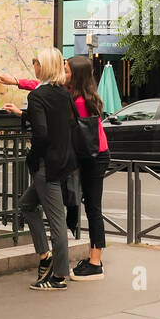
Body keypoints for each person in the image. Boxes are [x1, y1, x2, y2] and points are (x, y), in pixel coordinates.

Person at [5, 48, 77, 289]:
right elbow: (63, 125)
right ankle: (45, 257)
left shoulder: (37, 96)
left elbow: (42, 133)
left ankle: (58, 277)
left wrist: (33, 159)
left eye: (36, 62)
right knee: (26, 205)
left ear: (42, 66)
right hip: (62, 162)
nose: (33, 65)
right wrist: (24, 115)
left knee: (57, 222)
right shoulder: (62, 94)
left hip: (46, 166)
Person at [66, 55, 111, 281]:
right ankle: (94, 257)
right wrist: (17, 82)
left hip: (94, 157)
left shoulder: (79, 101)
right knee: (91, 206)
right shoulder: (86, 95)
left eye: (66, 70)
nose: (63, 73)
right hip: (97, 154)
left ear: (75, 75)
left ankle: (95, 263)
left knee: (93, 208)